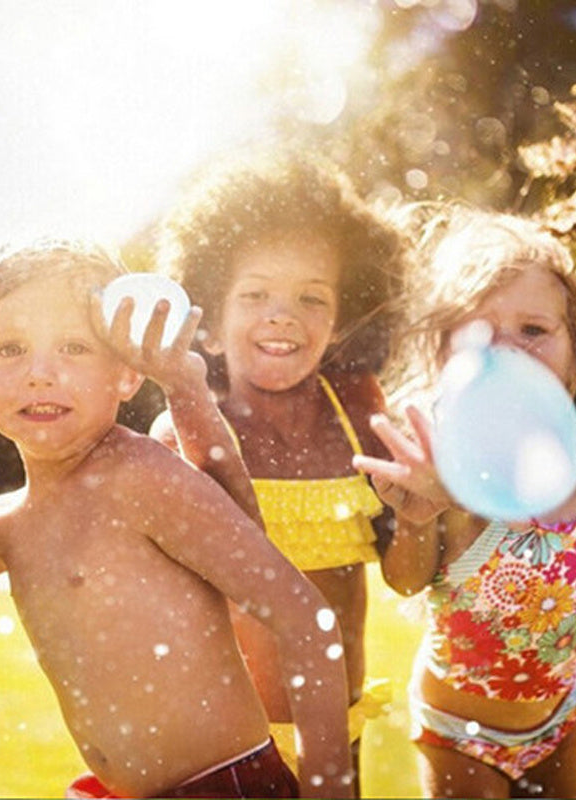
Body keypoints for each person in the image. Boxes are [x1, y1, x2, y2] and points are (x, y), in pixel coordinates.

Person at [0, 239, 355, 799]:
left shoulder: (138, 477)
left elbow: (304, 617)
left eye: (74, 347)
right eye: (9, 349)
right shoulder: (1, 528)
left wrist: (330, 788)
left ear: (128, 373)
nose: (40, 374)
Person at [150, 148, 411, 788]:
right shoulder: (183, 433)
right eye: (256, 294)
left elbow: (405, 569)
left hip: (337, 725)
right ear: (206, 323)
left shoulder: (361, 412)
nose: (282, 315)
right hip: (227, 744)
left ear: (343, 318)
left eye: (311, 298)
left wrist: (422, 506)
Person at [352, 206, 576, 799]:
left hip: (559, 718)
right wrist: (416, 518)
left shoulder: (571, 460)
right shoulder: (452, 465)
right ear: (442, 357)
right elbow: (408, 581)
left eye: (533, 330)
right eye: (480, 334)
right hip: (461, 733)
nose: (507, 352)